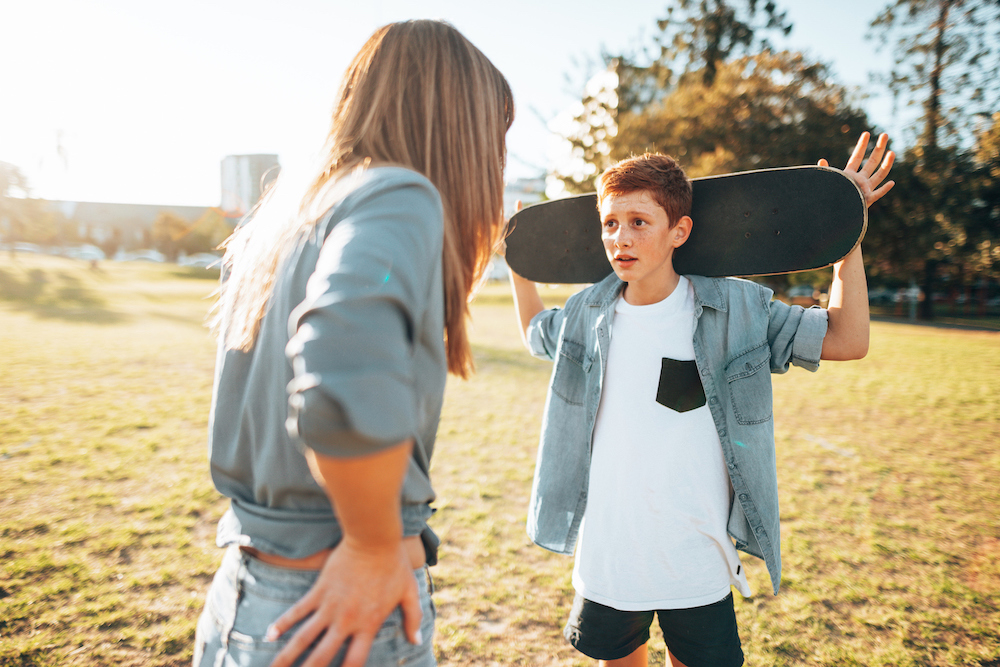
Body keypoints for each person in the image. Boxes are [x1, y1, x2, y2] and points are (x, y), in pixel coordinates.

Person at [193, 20, 513, 667]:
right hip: (337, 614)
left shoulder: (289, 215)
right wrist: (372, 544)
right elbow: (340, 363)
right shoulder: (399, 194)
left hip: (248, 597)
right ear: (460, 129)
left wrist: (411, 537)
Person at [507, 133, 894, 667]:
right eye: (610, 223)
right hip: (610, 556)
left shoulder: (737, 310)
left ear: (679, 230)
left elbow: (847, 338)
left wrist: (843, 237)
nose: (620, 237)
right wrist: (517, 264)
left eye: (639, 222)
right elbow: (534, 332)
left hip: (696, 558)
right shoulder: (583, 314)